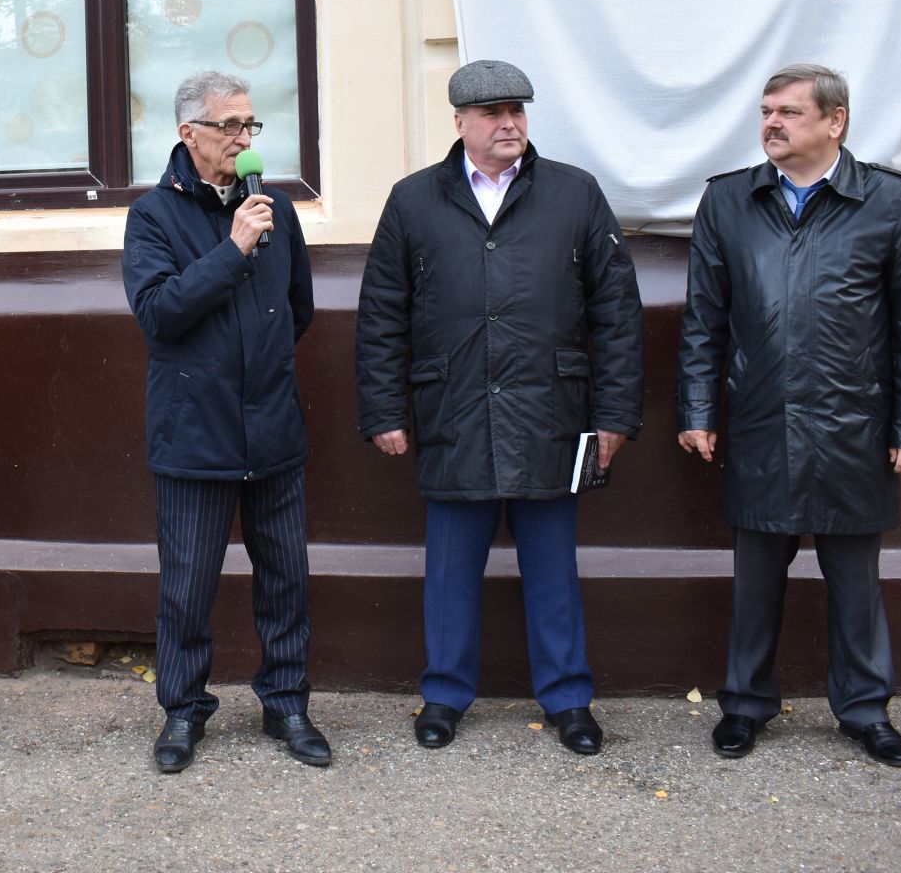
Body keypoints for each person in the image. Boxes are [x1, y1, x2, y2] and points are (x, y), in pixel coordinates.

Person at [355, 59, 643, 756]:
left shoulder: (574, 194)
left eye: (518, 109)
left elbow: (617, 313)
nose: (509, 122)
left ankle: (569, 700)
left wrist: (614, 415)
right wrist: (383, 410)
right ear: (460, 122)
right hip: (452, 411)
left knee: (553, 569)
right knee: (451, 571)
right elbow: (382, 316)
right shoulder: (414, 200)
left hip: (552, 411)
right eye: (493, 113)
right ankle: (445, 696)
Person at [677, 63, 901, 768]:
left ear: (836, 121)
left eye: (790, 112)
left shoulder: (886, 202)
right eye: (766, 110)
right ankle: (744, 705)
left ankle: (864, 710)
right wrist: (700, 408)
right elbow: (705, 320)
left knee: (855, 580)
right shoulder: (729, 203)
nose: (772, 122)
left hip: (854, 423)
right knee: (756, 577)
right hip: (762, 418)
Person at [121, 70, 326, 774]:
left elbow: (298, 311)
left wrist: (257, 366)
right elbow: (159, 314)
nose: (245, 139)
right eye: (232, 127)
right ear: (190, 134)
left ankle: (288, 703)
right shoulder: (153, 215)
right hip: (193, 432)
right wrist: (231, 249)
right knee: (186, 586)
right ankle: (182, 711)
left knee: (286, 579)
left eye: (251, 126)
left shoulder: (277, 209)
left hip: (272, 427)